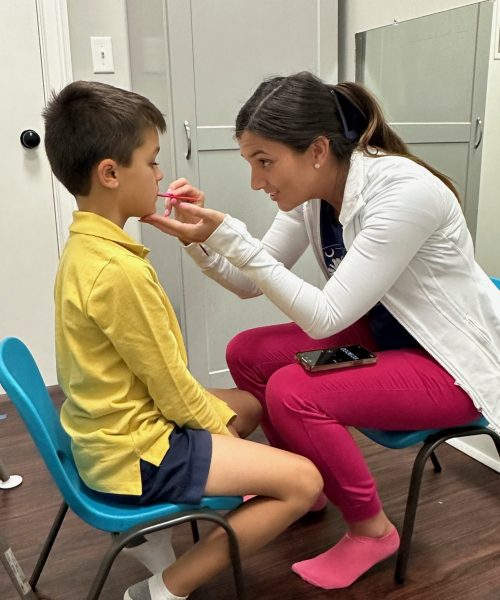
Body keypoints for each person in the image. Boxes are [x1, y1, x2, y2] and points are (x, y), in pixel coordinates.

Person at [140, 70, 500, 591]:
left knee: (293, 391)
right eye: (251, 164)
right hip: (385, 338)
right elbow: (248, 281)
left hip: (448, 364)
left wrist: (232, 237)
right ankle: (307, 486)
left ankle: (372, 529)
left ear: (316, 149)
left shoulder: (402, 193)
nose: (256, 182)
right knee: (249, 352)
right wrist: (203, 239)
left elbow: (326, 316)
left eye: (264, 163)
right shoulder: (315, 192)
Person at [42, 80, 323, 600]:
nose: (160, 174)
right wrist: (229, 444)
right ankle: (162, 589)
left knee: (248, 405)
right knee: (304, 483)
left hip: (106, 430)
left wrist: (227, 429)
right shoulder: (119, 272)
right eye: (151, 162)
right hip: (133, 450)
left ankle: (154, 539)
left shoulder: (85, 246)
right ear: (110, 173)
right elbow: (173, 389)